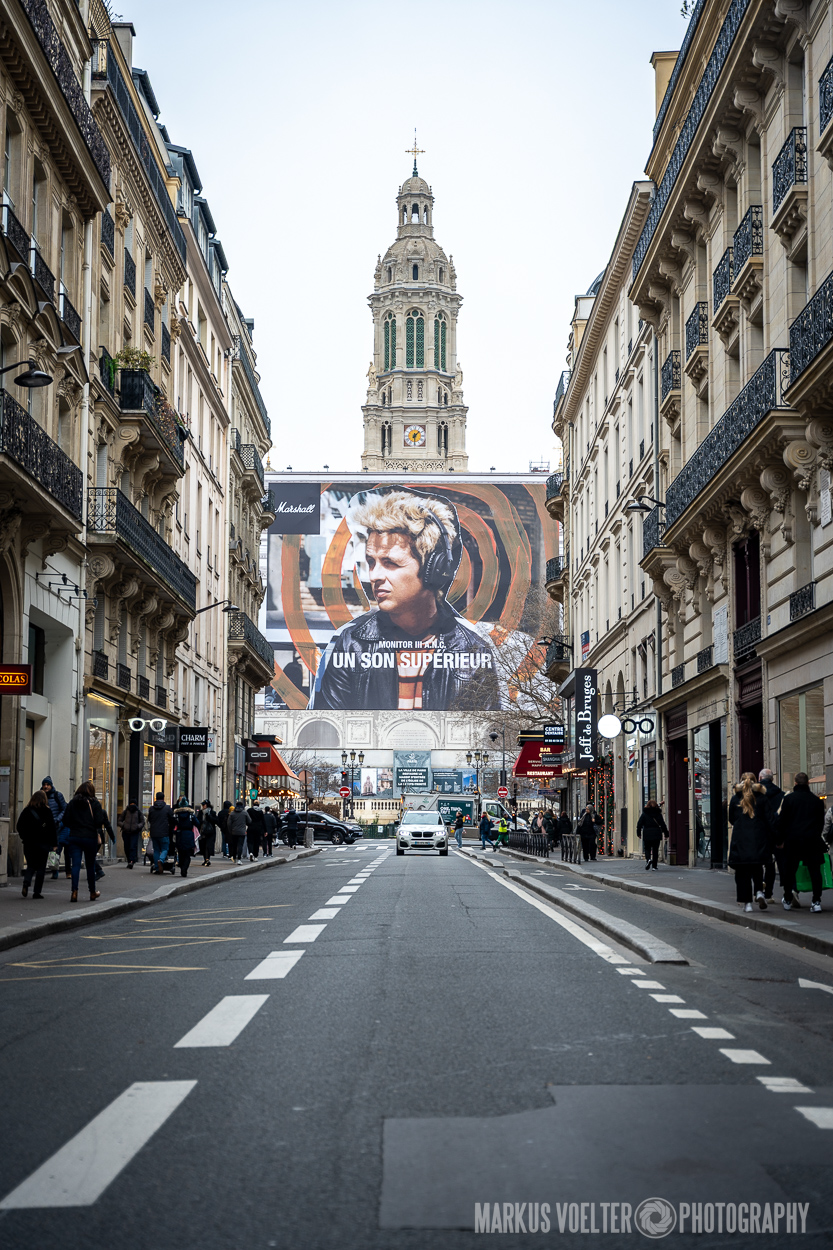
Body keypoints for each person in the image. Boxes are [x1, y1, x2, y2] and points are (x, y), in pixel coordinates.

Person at [309, 490, 500, 711]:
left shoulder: (473, 651)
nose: (374, 576)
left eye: (390, 563)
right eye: (371, 562)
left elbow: (484, 729)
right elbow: (330, 727)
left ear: (433, 570)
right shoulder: (352, 644)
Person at [778, 772, 826, 913]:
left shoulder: (789, 799)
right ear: (808, 783)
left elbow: (782, 821)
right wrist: (816, 834)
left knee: (790, 871)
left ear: (795, 783)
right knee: (815, 872)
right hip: (812, 840)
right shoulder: (817, 801)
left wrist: (780, 840)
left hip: (793, 840)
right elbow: (821, 823)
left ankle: (788, 898)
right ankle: (816, 901)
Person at [728, 773, 771, 913]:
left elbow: (731, 819)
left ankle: (747, 903)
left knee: (742, 872)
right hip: (758, 838)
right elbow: (769, 819)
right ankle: (759, 891)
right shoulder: (762, 798)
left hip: (740, 839)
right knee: (757, 866)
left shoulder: (735, 799)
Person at [62, 781, 112, 902]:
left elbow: (65, 820)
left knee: (76, 865)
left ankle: (74, 892)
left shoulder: (72, 803)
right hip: (90, 837)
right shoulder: (95, 803)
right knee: (90, 866)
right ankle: (92, 892)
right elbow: (99, 822)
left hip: (75, 836)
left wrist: (75, 826)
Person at [17, 790, 57, 898]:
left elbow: (19, 825)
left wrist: (24, 837)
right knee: (41, 868)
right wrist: (54, 843)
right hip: (43, 843)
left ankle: (26, 882)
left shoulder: (27, 810)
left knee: (31, 865)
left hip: (29, 843)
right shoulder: (47, 811)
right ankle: (37, 892)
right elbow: (52, 828)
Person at [758, 768, 785, 901]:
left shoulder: (757, 796)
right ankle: (788, 892)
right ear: (773, 779)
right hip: (777, 833)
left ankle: (764, 891)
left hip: (761, 834)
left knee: (764, 864)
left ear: (759, 779)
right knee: (781, 863)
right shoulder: (781, 795)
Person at [41, 776, 68, 879]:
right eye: (44, 785)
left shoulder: (57, 795)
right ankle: (43, 869)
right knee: (44, 848)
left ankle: (54, 869)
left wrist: (57, 820)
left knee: (55, 849)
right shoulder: (40, 795)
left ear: (51, 785)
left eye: (48, 785)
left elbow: (64, 809)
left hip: (55, 826)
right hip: (44, 826)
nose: (46, 786)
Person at [636, 799, 669, 871]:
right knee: (655, 850)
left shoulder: (644, 814)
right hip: (656, 833)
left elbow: (639, 824)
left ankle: (648, 859)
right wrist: (666, 834)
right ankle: (654, 866)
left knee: (647, 848)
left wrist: (638, 833)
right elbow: (663, 824)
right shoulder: (658, 814)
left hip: (647, 833)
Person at [147, 791, 174, 875]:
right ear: (163, 798)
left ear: (156, 798)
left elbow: (149, 819)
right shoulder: (167, 808)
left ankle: (157, 868)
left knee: (156, 850)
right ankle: (161, 860)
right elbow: (172, 819)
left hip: (154, 832)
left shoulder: (151, 809)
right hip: (164, 832)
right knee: (165, 849)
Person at [172, 795, 198, 878]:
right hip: (189, 834)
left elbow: (173, 823)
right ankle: (184, 869)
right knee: (187, 854)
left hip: (179, 834)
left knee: (180, 852)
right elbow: (197, 823)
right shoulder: (191, 814)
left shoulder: (176, 814)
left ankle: (181, 866)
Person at [118, 801, 144, 868]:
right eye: (131, 804)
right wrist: (124, 826)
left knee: (132, 847)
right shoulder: (125, 811)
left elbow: (142, 822)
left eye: (133, 804)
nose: (132, 805)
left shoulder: (138, 812)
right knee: (127, 847)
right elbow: (119, 821)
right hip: (126, 832)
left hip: (134, 832)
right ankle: (129, 860)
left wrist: (137, 826)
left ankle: (131, 861)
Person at [198, 800, 217, 866]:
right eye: (202, 805)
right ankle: (205, 859)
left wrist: (209, 816)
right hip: (202, 831)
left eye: (204, 805)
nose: (203, 806)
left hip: (210, 832)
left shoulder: (212, 812)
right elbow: (198, 820)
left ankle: (207, 859)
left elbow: (215, 820)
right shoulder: (201, 812)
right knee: (203, 846)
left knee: (208, 846)